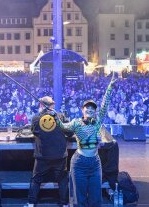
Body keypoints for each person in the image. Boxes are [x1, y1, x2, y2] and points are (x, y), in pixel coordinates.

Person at [56, 74, 116, 206]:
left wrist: (110, 87)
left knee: (96, 198)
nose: (90, 109)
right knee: (79, 198)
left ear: (95, 112)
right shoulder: (76, 122)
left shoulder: (97, 122)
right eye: (87, 108)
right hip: (79, 164)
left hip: (95, 163)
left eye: (92, 108)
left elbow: (105, 104)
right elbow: (63, 127)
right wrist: (55, 117)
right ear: (82, 110)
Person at [27, 96, 72, 207]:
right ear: (52, 105)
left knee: (36, 180)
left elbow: (34, 131)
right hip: (60, 155)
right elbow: (70, 132)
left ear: (42, 105)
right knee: (62, 180)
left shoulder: (36, 118)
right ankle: (64, 204)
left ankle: (31, 203)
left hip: (43, 156)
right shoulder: (60, 117)